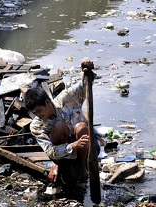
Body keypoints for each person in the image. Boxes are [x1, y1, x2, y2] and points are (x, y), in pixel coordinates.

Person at [23, 61, 100, 191]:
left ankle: (83, 167)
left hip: (88, 148)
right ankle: (64, 168)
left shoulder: (65, 99)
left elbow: (85, 85)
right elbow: (50, 151)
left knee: (81, 127)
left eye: (39, 111)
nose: (38, 115)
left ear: (47, 102)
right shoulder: (36, 126)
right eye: (34, 113)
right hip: (64, 156)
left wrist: (86, 71)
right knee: (58, 127)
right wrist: (74, 145)